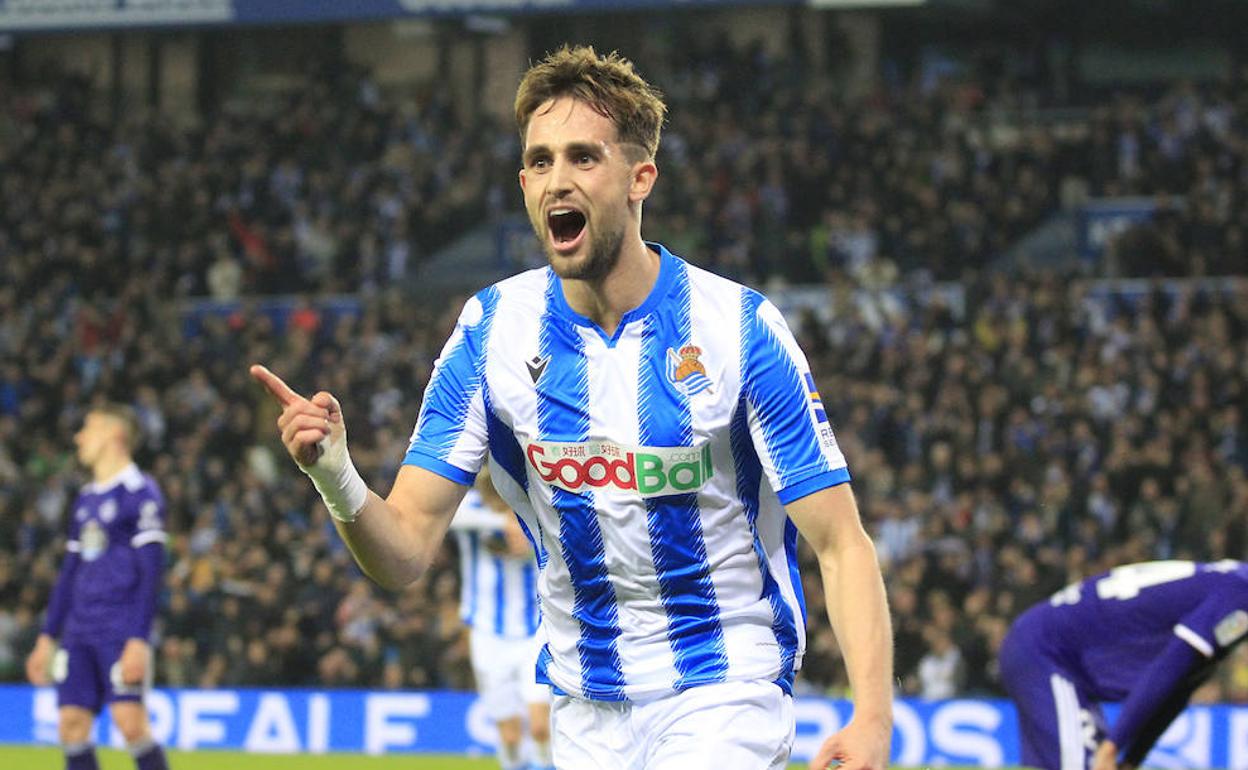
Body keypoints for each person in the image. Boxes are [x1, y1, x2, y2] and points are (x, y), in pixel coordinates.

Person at [251, 44, 892, 770]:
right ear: (524, 180)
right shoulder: (491, 333)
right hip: (584, 710)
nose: (558, 180)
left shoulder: (739, 329)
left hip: (725, 687)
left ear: (638, 178)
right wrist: (334, 474)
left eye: (584, 158)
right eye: (542, 160)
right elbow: (404, 551)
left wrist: (871, 716)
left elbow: (841, 543)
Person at [25, 404, 170, 770]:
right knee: (71, 727)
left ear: (114, 435)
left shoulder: (142, 493)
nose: (79, 437)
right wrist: (47, 636)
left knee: (130, 723)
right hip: (78, 630)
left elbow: (151, 575)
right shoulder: (86, 499)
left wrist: (139, 639)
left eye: (87, 428)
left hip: (119, 629)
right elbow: (69, 572)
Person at [1000, 559, 1248, 770]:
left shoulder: (1234, 584)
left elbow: (1180, 685)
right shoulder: (1241, 598)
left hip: (1051, 649)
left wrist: (1131, 759)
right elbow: (1171, 666)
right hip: (1045, 651)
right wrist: (1113, 745)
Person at [452, 468, 552, 770]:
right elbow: (447, 520)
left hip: (535, 629)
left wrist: (521, 528)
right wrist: (502, 522)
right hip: (487, 633)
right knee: (509, 736)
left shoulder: (536, 508)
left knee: (540, 727)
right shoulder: (470, 508)